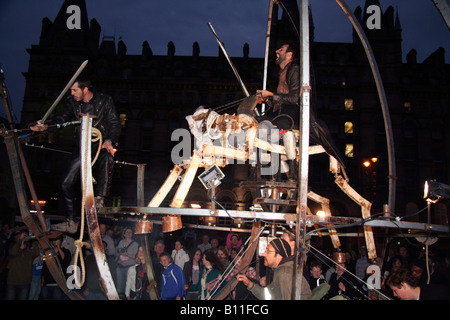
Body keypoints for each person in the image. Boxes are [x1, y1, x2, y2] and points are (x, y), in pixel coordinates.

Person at [30, 78, 121, 234]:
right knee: (65, 183)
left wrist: (109, 140)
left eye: (74, 90)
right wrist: (46, 126)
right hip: (82, 146)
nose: (72, 93)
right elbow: (62, 119)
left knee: (107, 156)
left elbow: (114, 122)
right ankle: (71, 221)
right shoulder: (72, 102)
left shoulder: (105, 100)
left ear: (85, 89)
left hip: (99, 144)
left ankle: (100, 198)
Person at [237, 238, 312, 300]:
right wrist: (250, 284)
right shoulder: (280, 271)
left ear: (279, 255)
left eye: (268, 251)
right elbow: (269, 296)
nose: (264, 254)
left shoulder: (285, 273)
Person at [5, 230, 40, 300]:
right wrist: (20, 240)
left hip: (25, 283)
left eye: (25, 237)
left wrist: (34, 239)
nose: (24, 238)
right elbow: (14, 252)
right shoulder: (13, 250)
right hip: (12, 282)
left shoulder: (28, 253)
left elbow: (36, 253)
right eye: (23, 237)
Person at [40, 234, 72, 300]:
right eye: (53, 240)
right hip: (47, 283)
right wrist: (42, 279)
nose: (55, 242)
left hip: (59, 283)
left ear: (61, 241)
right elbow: (44, 267)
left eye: (57, 240)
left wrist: (58, 248)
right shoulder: (48, 252)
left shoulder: (66, 251)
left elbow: (65, 261)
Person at [115, 228, 138, 297]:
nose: (128, 233)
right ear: (124, 234)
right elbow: (117, 253)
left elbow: (136, 256)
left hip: (130, 266)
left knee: (129, 285)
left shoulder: (135, 244)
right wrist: (119, 253)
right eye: (127, 232)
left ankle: (129, 297)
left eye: (130, 232)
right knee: (120, 285)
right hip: (120, 266)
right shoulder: (121, 242)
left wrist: (127, 255)